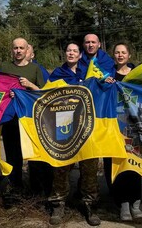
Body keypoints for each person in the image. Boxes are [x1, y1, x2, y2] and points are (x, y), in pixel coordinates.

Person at [47, 42, 99, 226]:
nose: (71, 53)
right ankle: (58, 204)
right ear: (65, 53)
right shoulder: (57, 73)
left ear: (80, 54)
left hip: (87, 125)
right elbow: (46, 95)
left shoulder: (90, 72)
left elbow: (101, 88)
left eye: (75, 51)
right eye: (68, 50)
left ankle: (89, 204)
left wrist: (108, 82)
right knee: (62, 165)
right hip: (64, 125)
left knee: (90, 166)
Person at [0, 37, 47, 206]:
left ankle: (36, 193)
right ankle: (14, 192)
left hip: (30, 121)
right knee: (13, 157)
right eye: (15, 48)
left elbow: (44, 93)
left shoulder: (35, 69)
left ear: (27, 51)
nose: (18, 51)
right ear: (12, 50)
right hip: (11, 120)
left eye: (21, 48)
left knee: (34, 157)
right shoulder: (4, 67)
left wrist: (30, 86)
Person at [105, 42, 142, 222]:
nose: (120, 55)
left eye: (123, 52)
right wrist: (104, 83)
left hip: (134, 127)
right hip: (113, 126)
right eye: (117, 52)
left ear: (129, 55)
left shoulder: (138, 75)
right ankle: (123, 203)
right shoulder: (107, 73)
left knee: (135, 164)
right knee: (116, 164)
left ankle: (136, 202)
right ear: (114, 55)